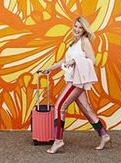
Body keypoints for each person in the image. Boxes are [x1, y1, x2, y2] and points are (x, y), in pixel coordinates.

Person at [42, 16, 111, 154]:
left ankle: (58, 140)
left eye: (81, 27)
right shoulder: (74, 42)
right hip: (73, 80)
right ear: (72, 26)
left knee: (60, 106)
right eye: (76, 26)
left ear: (84, 29)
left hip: (77, 81)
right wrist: (51, 67)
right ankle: (104, 135)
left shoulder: (84, 41)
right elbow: (65, 60)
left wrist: (74, 61)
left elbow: (93, 61)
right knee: (86, 109)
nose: (77, 29)